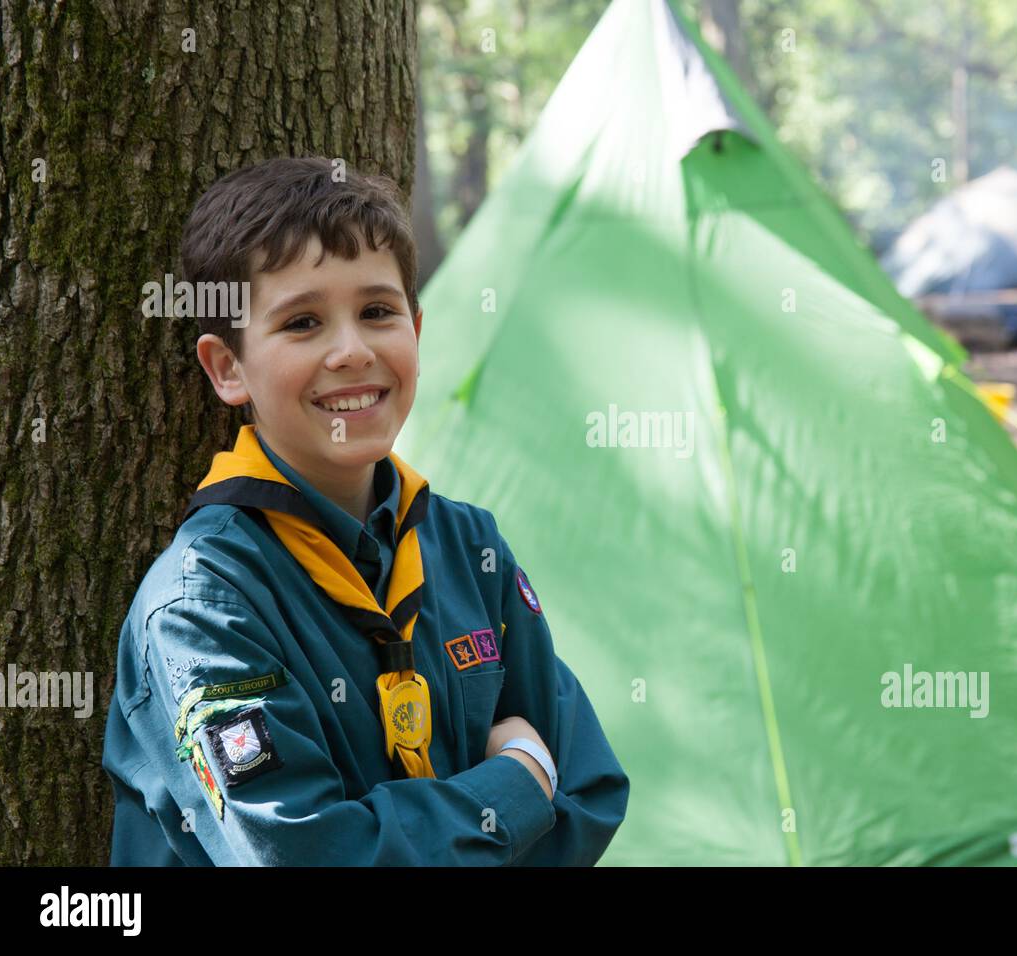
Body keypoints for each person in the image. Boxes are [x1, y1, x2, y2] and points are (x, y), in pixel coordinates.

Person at [101, 157, 629, 865]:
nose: (351, 351)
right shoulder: (203, 608)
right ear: (228, 368)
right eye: (303, 322)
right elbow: (308, 854)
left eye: (377, 313)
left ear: (415, 327)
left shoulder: (470, 548)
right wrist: (517, 782)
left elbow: (592, 791)